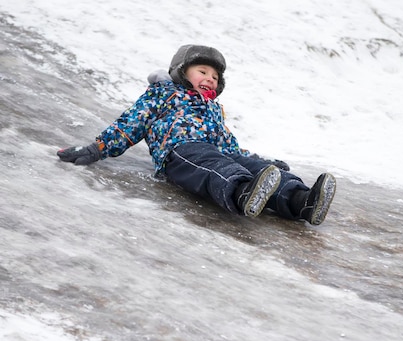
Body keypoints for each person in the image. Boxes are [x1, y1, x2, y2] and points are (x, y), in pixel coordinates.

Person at [57, 44, 336, 225]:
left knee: (245, 163)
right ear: (181, 72)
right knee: (214, 165)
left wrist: (262, 163)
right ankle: (242, 193)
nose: (210, 79)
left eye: (215, 77)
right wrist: (98, 148)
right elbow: (132, 123)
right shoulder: (162, 94)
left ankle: (301, 200)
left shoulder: (213, 108)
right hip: (180, 152)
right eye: (202, 71)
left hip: (218, 150)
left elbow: (228, 141)